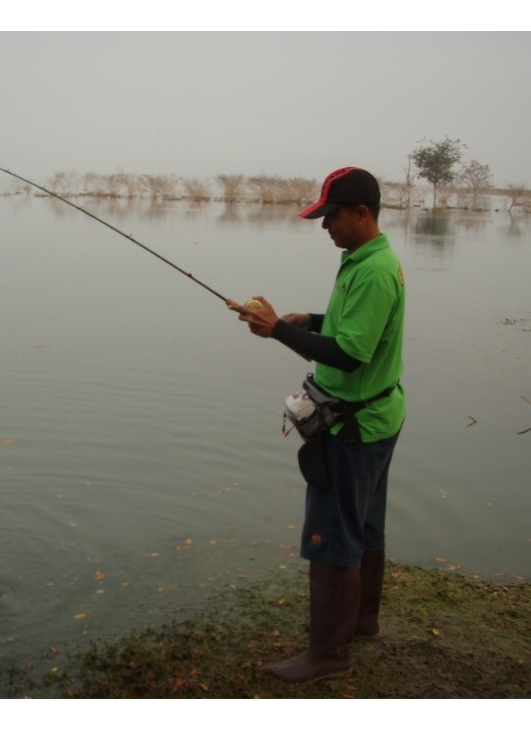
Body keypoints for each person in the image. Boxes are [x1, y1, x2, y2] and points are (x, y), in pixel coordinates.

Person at [228, 166, 405, 683]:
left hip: (354, 428)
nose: (325, 226)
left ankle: (329, 655)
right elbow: (357, 331)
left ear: (361, 213)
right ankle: (363, 623)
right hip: (379, 417)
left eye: (331, 217)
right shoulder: (366, 259)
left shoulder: (372, 270)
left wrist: (278, 330)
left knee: (332, 535)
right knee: (366, 525)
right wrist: (307, 321)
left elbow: (350, 356)